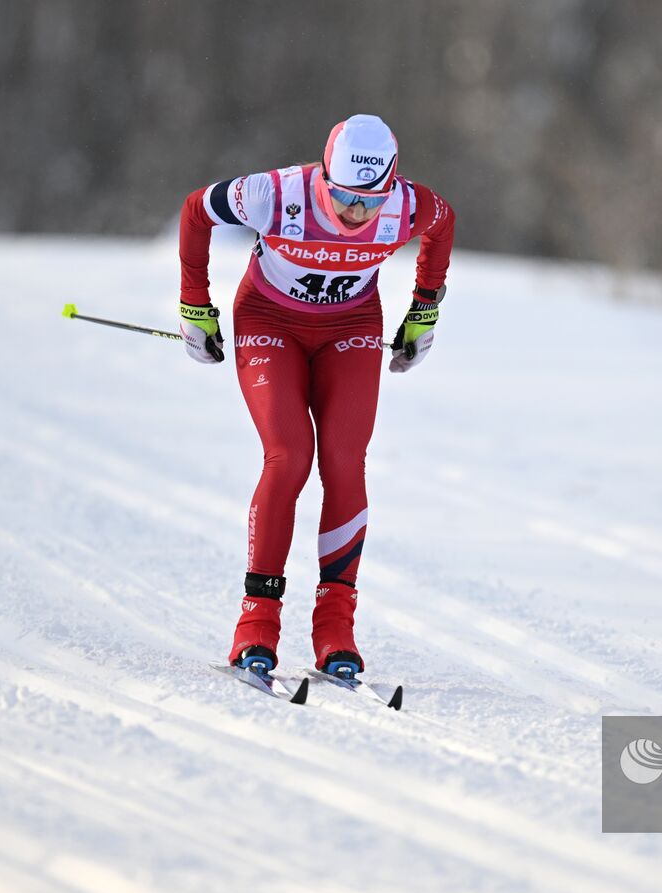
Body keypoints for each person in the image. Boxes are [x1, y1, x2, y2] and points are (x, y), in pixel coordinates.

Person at [176, 114, 455, 680]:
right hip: (268, 320)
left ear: (391, 186)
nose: (356, 214)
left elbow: (443, 224)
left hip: (350, 326)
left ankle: (335, 630)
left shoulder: (407, 204)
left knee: (345, 463)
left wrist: (423, 310)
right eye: (344, 197)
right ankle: (256, 623)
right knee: (289, 456)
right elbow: (194, 211)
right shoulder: (276, 194)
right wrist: (194, 305)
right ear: (324, 177)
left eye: (369, 202)